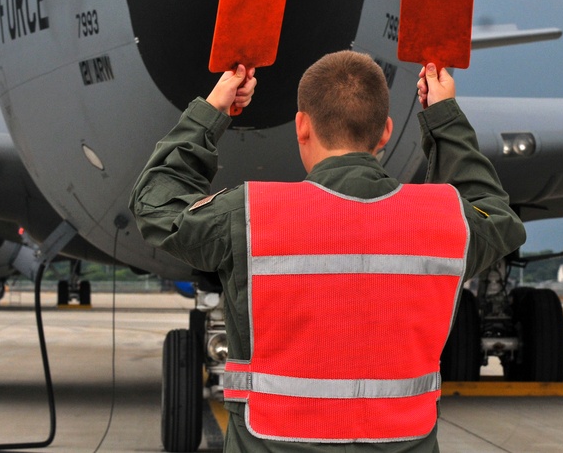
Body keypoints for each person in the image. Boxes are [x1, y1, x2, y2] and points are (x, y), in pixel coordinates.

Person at [130, 51, 525, 451]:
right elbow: (498, 217)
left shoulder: (250, 214)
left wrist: (212, 110)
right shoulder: (444, 220)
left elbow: (156, 204)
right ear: (385, 132)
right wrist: (444, 119)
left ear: (301, 126)